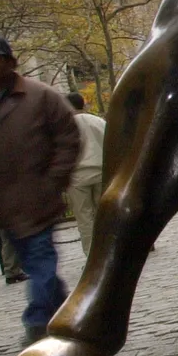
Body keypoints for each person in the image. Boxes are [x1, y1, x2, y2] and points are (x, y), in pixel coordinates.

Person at [0, 37, 81, 345]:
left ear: (10, 62)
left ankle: (37, 321)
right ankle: (64, 306)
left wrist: (54, 179)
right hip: (0, 204)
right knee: (34, 262)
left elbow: (68, 137)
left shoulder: (41, 97)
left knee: (40, 259)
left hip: (39, 198)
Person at [65, 92, 107, 257]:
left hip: (77, 176)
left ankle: (92, 256)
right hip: (100, 170)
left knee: (85, 219)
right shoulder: (98, 121)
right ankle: (107, 250)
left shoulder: (64, 126)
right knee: (103, 215)